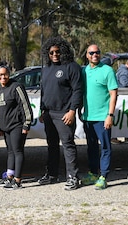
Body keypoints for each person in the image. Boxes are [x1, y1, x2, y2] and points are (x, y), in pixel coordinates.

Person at [38, 36, 83, 191]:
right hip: (49, 114)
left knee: (68, 145)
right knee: (52, 145)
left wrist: (72, 111)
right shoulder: (46, 68)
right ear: (47, 54)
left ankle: (73, 177)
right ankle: (52, 175)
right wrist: (42, 110)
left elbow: (77, 91)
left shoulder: (72, 67)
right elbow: (44, 91)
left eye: (58, 51)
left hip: (64, 113)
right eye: (51, 52)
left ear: (64, 51)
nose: (55, 54)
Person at [81, 44, 118, 190]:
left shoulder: (108, 71)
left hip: (103, 117)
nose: (95, 55)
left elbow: (113, 94)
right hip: (88, 117)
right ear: (87, 55)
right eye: (92, 53)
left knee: (106, 147)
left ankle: (103, 176)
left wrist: (110, 115)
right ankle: (93, 173)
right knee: (91, 147)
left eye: (97, 52)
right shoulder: (83, 71)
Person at [0, 65, 33, 190]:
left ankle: (18, 180)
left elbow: (25, 106)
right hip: (5, 127)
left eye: (5, 74)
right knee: (10, 152)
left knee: (17, 151)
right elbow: (0, 111)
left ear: (9, 74)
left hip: (17, 125)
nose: (3, 77)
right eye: (0, 75)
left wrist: (26, 123)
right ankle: (10, 177)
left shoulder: (16, 87)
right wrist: (0, 127)